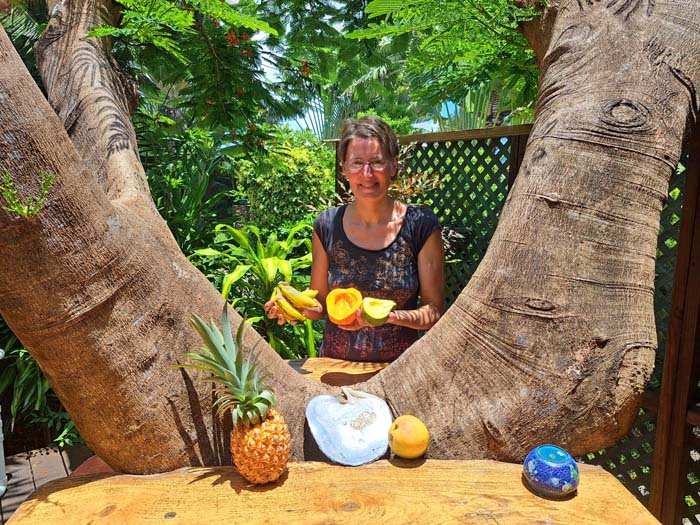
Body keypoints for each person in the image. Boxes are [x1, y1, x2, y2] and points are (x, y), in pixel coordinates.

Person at [265, 116, 445, 362]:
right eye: (357, 163)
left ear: (393, 166)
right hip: (335, 368)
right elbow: (319, 304)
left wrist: (390, 317)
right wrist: (294, 308)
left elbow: (433, 311)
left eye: (377, 162)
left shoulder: (420, 225)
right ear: (344, 169)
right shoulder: (327, 225)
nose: (367, 173)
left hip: (398, 373)